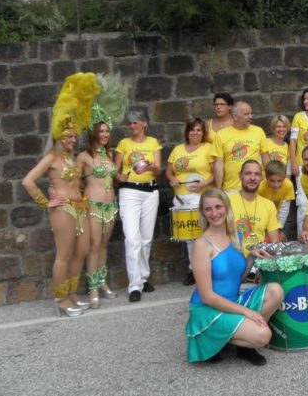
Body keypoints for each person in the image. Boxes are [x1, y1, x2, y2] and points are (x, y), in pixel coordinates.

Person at [22, 73, 99, 317]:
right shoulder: (51, 158)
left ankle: (73, 293)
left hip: (80, 207)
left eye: (74, 135)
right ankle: (61, 299)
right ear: (58, 135)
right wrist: (47, 201)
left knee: (81, 252)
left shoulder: (71, 158)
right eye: (67, 136)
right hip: (63, 209)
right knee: (64, 254)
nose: (72, 139)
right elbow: (28, 181)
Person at [185, 188, 283, 365]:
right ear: (203, 213)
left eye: (218, 207)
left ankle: (244, 347)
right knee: (263, 335)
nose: (214, 213)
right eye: (208, 209)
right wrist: (248, 312)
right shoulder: (201, 245)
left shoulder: (235, 235)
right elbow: (207, 296)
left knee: (276, 291)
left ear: (227, 208)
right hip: (208, 309)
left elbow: (237, 277)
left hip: (232, 301)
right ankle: (216, 337)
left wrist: (252, 256)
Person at [115, 109, 162, 301]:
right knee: (132, 238)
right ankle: (134, 285)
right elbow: (115, 171)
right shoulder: (123, 144)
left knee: (146, 238)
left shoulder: (153, 143)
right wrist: (120, 177)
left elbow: (158, 170)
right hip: (129, 191)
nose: (132, 126)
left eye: (135, 123)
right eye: (130, 123)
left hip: (150, 191)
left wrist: (151, 166)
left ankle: (142, 278)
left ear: (144, 123)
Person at [77, 109, 119, 308]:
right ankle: (92, 286)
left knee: (103, 245)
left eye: (107, 131)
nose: (104, 135)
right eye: (101, 131)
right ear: (93, 133)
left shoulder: (110, 154)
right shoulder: (84, 157)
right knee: (93, 246)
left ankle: (102, 282)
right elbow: (74, 181)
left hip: (111, 206)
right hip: (93, 206)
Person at [166, 117, 214, 286]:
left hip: (199, 197)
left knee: (200, 236)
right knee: (188, 238)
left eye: (199, 130)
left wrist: (205, 184)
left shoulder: (208, 148)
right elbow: (169, 171)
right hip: (180, 197)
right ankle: (193, 269)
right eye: (192, 130)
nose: (195, 133)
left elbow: (216, 172)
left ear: (203, 133)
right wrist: (171, 178)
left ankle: (203, 270)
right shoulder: (178, 149)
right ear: (187, 132)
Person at [228, 160, 281, 256]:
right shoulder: (227, 202)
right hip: (234, 260)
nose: (252, 178)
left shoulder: (269, 205)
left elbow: (275, 242)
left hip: (259, 260)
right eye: (248, 173)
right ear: (240, 176)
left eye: (257, 174)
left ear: (261, 178)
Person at [212, 101, 265, 193]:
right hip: (231, 189)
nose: (250, 116)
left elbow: (265, 158)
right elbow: (218, 165)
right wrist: (218, 189)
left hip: (256, 187)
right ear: (235, 116)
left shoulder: (259, 131)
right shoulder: (221, 135)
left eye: (251, 113)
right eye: (246, 114)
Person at [258, 160, 295, 238]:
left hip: (277, 218)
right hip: (261, 218)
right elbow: (258, 210)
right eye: (272, 181)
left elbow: (284, 210)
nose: (276, 184)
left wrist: (279, 229)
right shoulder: (260, 188)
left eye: (279, 181)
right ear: (266, 178)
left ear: (284, 177)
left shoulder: (288, 185)